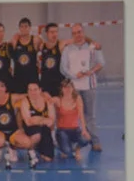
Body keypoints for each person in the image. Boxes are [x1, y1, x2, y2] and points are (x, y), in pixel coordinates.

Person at [61, 23, 104, 152]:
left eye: (79, 32)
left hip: (89, 87)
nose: (77, 35)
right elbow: (63, 68)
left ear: (83, 32)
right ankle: (72, 143)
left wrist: (91, 72)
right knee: (71, 116)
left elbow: (101, 63)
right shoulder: (67, 49)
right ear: (72, 35)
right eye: (74, 33)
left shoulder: (93, 47)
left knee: (90, 115)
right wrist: (74, 75)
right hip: (73, 89)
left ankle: (95, 142)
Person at [0, 79, 29, 168]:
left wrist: (43, 94)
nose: (0, 89)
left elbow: (27, 95)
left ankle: (12, 147)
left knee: (27, 143)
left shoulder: (12, 97)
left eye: (2, 86)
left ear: (6, 88)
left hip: (13, 130)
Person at [52, 79, 90, 160]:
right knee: (67, 151)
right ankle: (61, 146)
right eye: (65, 87)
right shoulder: (57, 100)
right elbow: (46, 101)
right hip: (62, 130)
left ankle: (77, 149)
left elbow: (81, 115)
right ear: (61, 89)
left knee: (86, 139)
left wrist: (84, 130)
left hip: (75, 129)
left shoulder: (77, 98)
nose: (67, 89)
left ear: (73, 88)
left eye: (69, 87)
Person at [20, 82, 55, 166]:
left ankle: (39, 148)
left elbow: (52, 121)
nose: (32, 92)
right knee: (37, 135)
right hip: (31, 128)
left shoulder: (47, 101)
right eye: (30, 90)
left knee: (48, 158)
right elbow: (28, 122)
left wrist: (36, 119)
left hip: (45, 129)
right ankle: (31, 149)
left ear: (40, 90)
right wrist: (43, 120)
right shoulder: (25, 101)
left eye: (35, 89)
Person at [10, 18, 40, 94]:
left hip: (32, 78)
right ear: (19, 28)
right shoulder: (14, 41)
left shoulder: (35, 40)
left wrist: (39, 62)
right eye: (22, 26)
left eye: (26, 26)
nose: (24, 29)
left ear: (30, 28)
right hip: (18, 78)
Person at [38, 23, 64, 96]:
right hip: (45, 83)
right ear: (47, 33)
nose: (54, 34)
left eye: (56, 32)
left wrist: (91, 42)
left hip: (58, 83)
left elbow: (77, 39)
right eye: (52, 32)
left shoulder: (61, 44)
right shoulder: (42, 46)